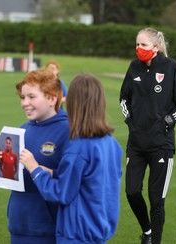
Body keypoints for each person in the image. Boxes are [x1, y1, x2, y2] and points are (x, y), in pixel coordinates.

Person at [21, 73, 123, 243]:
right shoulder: (111, 143)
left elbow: (61, 193)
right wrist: (53, 173)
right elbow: (90, 180)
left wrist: (35, 169)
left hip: (77, 234)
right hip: (100, 230)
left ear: (74, 103)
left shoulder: (78, 147)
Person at [119, 28, 176, 244]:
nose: (138, 49)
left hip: (161, 145)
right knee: (132, 192)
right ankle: (147, 231)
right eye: (137, 44)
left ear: (156, 47)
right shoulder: (134, 67)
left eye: (143, 45)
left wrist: (169, 121)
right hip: (136, 144)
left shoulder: (170, 68)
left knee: (156, 199)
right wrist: (130, 121)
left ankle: (155, 241)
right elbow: (124, 98)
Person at [0, 68, 70, 243]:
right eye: (23, 98)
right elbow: (14, 174)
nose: (25, 103)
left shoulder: (69, 130)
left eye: (32, 97)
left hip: (51, 228)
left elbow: (72, 181)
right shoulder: (21, 130)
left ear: (52, 98)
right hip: (19, 224)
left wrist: (42, 170)